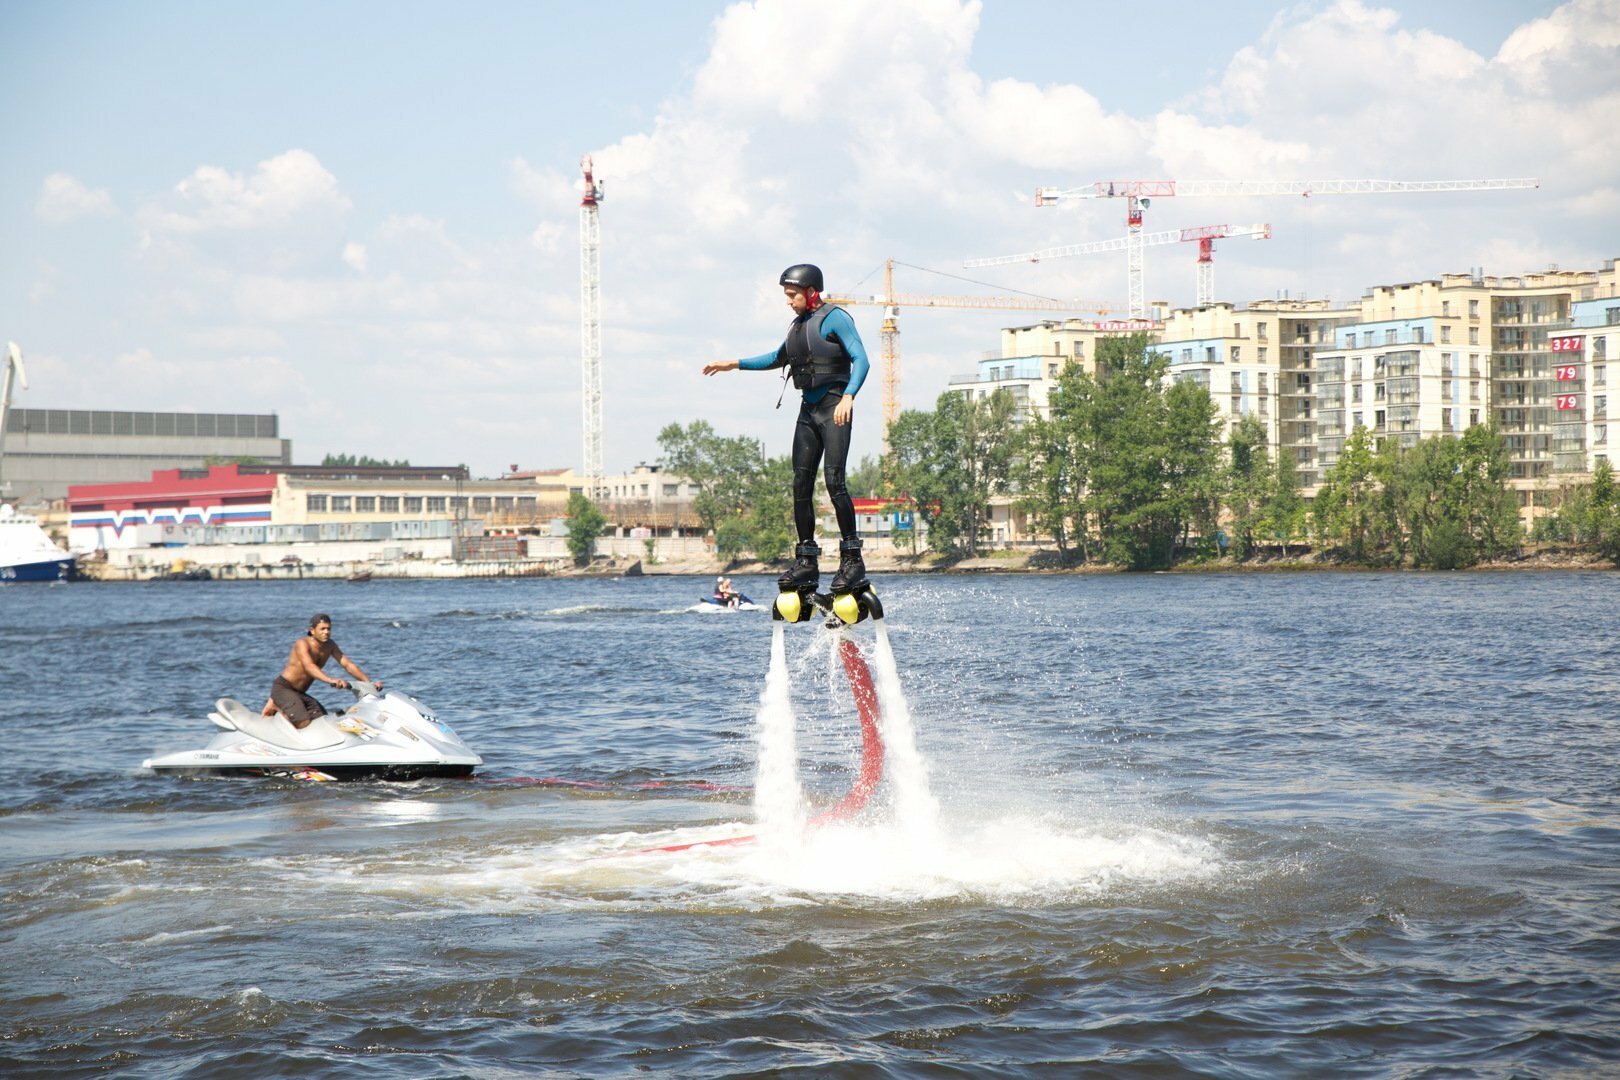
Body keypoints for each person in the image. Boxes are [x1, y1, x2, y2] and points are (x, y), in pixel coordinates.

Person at [703, 263, 871, 593]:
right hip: (808, 411)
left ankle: (852, 561)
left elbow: (862, 359)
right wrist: (733, 364)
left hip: (835, 406)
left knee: (834, 480)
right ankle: (807, 561)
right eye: (786, 295)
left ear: (811, 293)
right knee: (800, 484)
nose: (788, 301)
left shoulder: (836, 318)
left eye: (792, 295)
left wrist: (849, 396)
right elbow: (777, 358)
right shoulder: (796, 326)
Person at [262, 613, 381, 729]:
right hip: (283, 688)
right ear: (312, 630)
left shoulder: (330, 645)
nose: (326, 632)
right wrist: (330, 680)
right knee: (303, 722)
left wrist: (369, 684)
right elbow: (309, 666)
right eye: (322, 629)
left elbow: (347, 664)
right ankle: (278, 709)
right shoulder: (302, 644)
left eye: (329, 629)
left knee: (322, 721)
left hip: (299, 693)